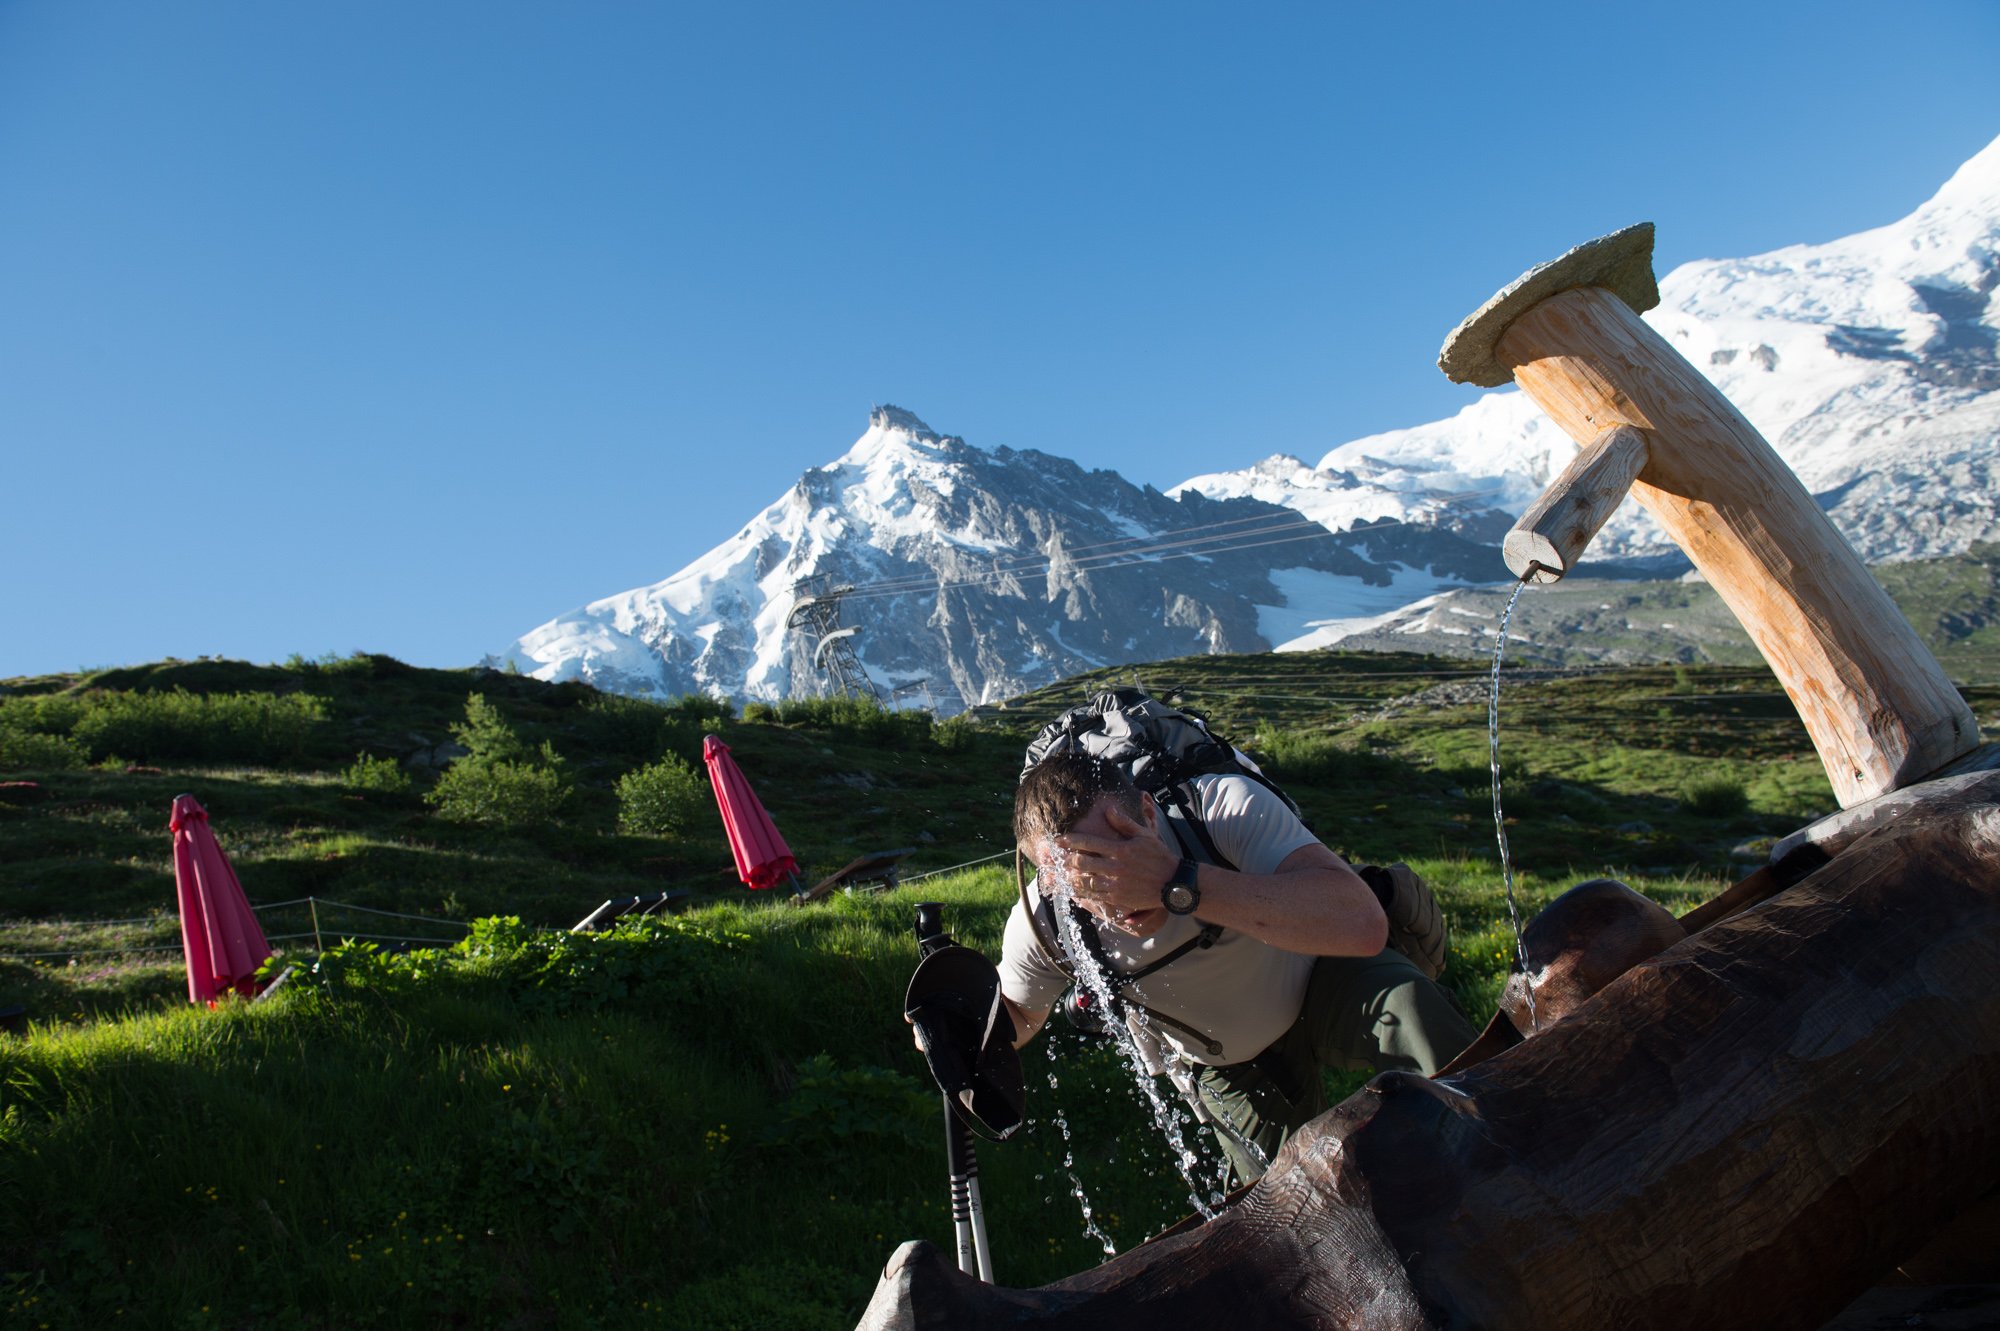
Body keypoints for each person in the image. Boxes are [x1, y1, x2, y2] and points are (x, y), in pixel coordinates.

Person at [996, 750, 1476, 1183]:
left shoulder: (1220, 810)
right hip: (1228, 1060)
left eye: (1121, 853)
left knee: (1413, 1012)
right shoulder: (1046, 920)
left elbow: (1361, 922)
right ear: (1048, 876)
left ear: (1149, 812)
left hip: (1323, 977)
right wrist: (954, 1027)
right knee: (1285, 1215)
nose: (1114, 894)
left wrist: (1178, 882)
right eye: (1085, 877)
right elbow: (1016, 1017)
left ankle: (1508, 1163)